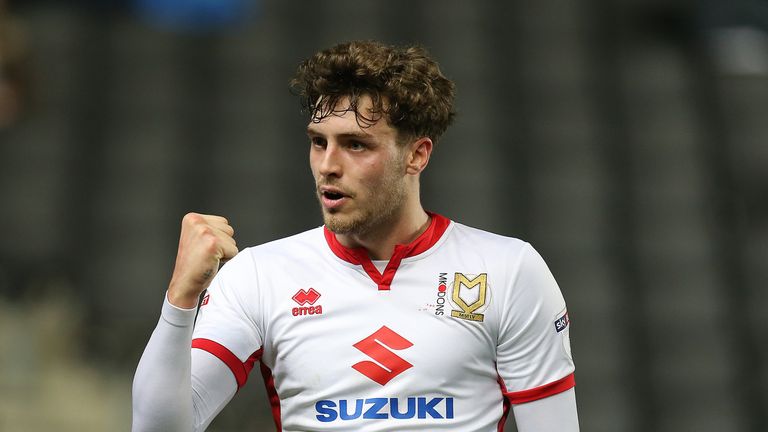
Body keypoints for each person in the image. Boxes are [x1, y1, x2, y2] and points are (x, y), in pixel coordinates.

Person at [132, 40, 579, 432]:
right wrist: (181, 299)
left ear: (417, 155)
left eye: (356, 145)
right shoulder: (258, 276)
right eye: (318, 142)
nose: (328, 165)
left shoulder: (508, 271)